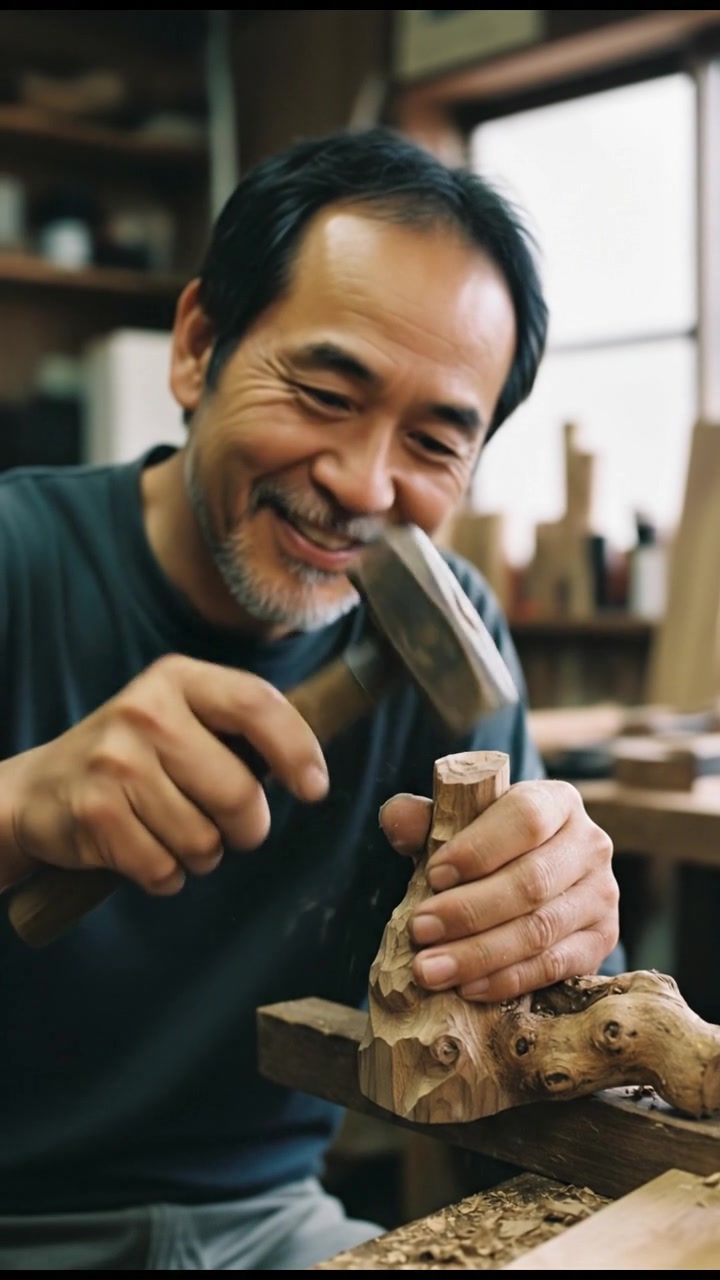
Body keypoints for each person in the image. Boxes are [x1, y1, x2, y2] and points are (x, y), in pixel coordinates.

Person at [0, 127, 619, 1269]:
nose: (363, 481)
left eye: (433, 439)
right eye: (326, 392)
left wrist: (557, 930)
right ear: (198, 349)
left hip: (268, 1223)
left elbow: (510, 1026)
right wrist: (14, 806)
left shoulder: (453, 632)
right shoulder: (14, 555)